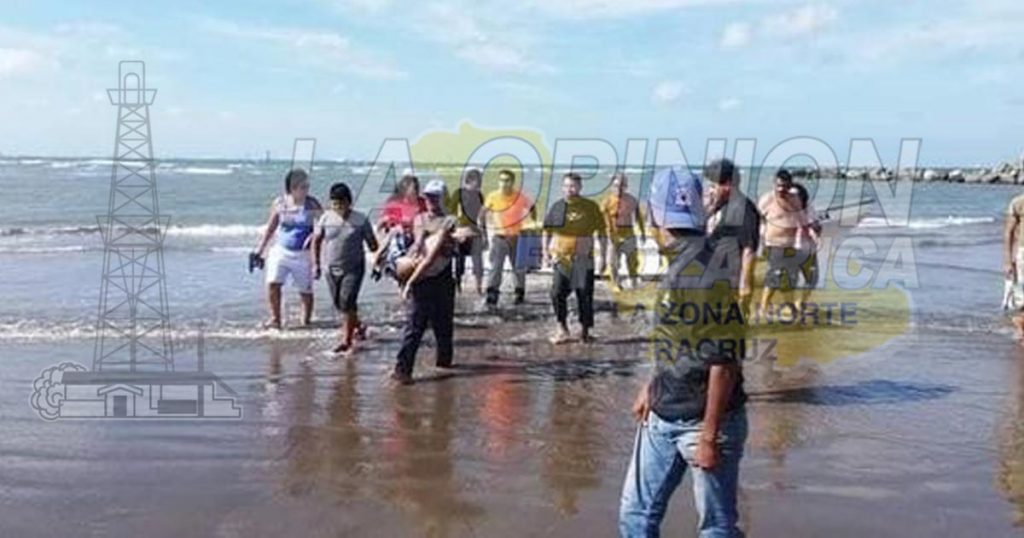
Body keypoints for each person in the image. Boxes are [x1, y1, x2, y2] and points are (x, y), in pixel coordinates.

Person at [619, 167, 748, 538]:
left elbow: (725, 358)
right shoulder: (685, 259)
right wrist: (652, 384)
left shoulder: (703, 269)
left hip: (703, 421)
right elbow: (680, 338)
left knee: (716, 528)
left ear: (656, 213)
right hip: (664, 409)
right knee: (635, 515)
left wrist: (709, 436)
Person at [392, 179, 458, 384]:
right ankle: (402, 370)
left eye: (436, 197)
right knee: (415, 325)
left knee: (443, 326)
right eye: (428, 196)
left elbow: (435, 253)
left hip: (442, 277)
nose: (431, 200)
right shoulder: (419, 218)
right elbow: (419, 238)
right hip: (422, 278)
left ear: (443, 198)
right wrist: (418, 243)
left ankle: (443, 366)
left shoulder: (449, 220)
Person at [312, 182, 379, 353]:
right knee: (340, 304)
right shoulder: (326, 218)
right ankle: (359, 326)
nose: (338, 207)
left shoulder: (360, 219)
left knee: (347, 300)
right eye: (334, 204)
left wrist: (375, 248)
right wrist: (316, 264)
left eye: (341, 203)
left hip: (353, 268)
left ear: (349, 202)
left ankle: (346, 342)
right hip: (330, 268)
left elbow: (373, 245)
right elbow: (316, 240)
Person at [253, 168, 323, 329]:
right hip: (281, 251)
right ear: (292, 188)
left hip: (303, 254)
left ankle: (306, 321)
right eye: (303, 187)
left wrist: (314, 235)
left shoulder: (312, 204)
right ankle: (276, 319)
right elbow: (271, 228)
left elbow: (324, 224)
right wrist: (260, 250)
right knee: (273, 283)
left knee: (305, 291)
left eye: (307, 186)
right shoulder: (279, 203)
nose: (306, 190)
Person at [542, 172, 606, 344]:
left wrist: (604, 257)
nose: (570, 189)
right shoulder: (557, 207)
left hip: (584, 259)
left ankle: (584, 332)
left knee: (584, 296)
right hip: (562, 259)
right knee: (556, 293)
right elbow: (547, 230)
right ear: (562, 187)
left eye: (573, 186)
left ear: (580, 187)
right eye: (566, 186)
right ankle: (562, 328)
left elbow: (602, 233)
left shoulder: (590, 207)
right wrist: (545, 252)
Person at [704, 158, 760, 319]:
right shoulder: (723, 204)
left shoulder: (743, 209)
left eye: (714, 186)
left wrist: (745, 285)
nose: (710, 190)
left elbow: (749, 249)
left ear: (728, 184)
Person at [479, 169, 536, 306]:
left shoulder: (520, 196)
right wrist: (484, 234)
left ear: (512, 182)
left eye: (507, 180)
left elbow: (532, 208)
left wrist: (532, 223)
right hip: (499, 237)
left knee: (518, 268)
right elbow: (481, 215)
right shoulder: (493, 196)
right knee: (495, 268)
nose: (504, 183)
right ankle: (492, 294)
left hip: (516, 238)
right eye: (501, 180)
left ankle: (519, 294)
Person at [757, 169, 807, 315]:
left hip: (791, 245)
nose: (781, 189)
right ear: (774, 184)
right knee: (774, 276)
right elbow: (757, 218)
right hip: (774, 244)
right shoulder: (767, 199)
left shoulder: (795, 199)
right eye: (778, 185)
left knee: (790, 278)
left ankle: (789, 307)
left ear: (790, 185)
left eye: (784, 186)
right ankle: (763, 307)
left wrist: (807, 237)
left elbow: (801, 220)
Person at [373, 173, 425, 282]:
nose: (416, 191)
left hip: (416, 237)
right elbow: (381, 224)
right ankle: (379, 262)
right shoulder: (395, 203)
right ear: (405, 190)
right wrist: (381, 238)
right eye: (413, 188)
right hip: (397, 239)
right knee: (396, 233)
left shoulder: (422, 203)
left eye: (417, 188)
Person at [600, 172, 646, 291]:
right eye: (616, 186)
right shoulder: (607, 201)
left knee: (632, 260)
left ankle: (633, 280)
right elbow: (601, 219)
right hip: (613, 235)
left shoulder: (632, 200)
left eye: (622, 186)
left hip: (628, 233)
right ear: (612, 186)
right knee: (613, 262)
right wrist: (605, 232)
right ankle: (616, 283)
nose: (619, 189)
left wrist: (642, 232)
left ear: (626, 186)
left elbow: (639, 217)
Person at [447, 168, 486, 295]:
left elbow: (482, 216)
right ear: (469, 180)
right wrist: (455, 232)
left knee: (478, 262)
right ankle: (458, 287)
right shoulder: (459, 193)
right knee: (459, 261)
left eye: (480, 181)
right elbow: (451, 213)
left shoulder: (479, 195)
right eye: (477, 181)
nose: (479, 183)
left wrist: (484, 234)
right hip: (461, 231)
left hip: (475, 231)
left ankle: (479, 288)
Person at [790, 182, 821, 310]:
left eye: (796, 195)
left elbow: (815, 226)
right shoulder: (784, 209)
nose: (792, 198)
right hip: (791, 248)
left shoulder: (809, 208)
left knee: (813, 279)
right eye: (790, 195)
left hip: (808, 249)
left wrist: (815, 231)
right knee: (791, 280)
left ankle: (801, 302)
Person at [1005, 190, 1024, 338]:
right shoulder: (1018, 202)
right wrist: (1008, 260)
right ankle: (1020, 329)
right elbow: (1009, 232)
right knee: (1022, 296)